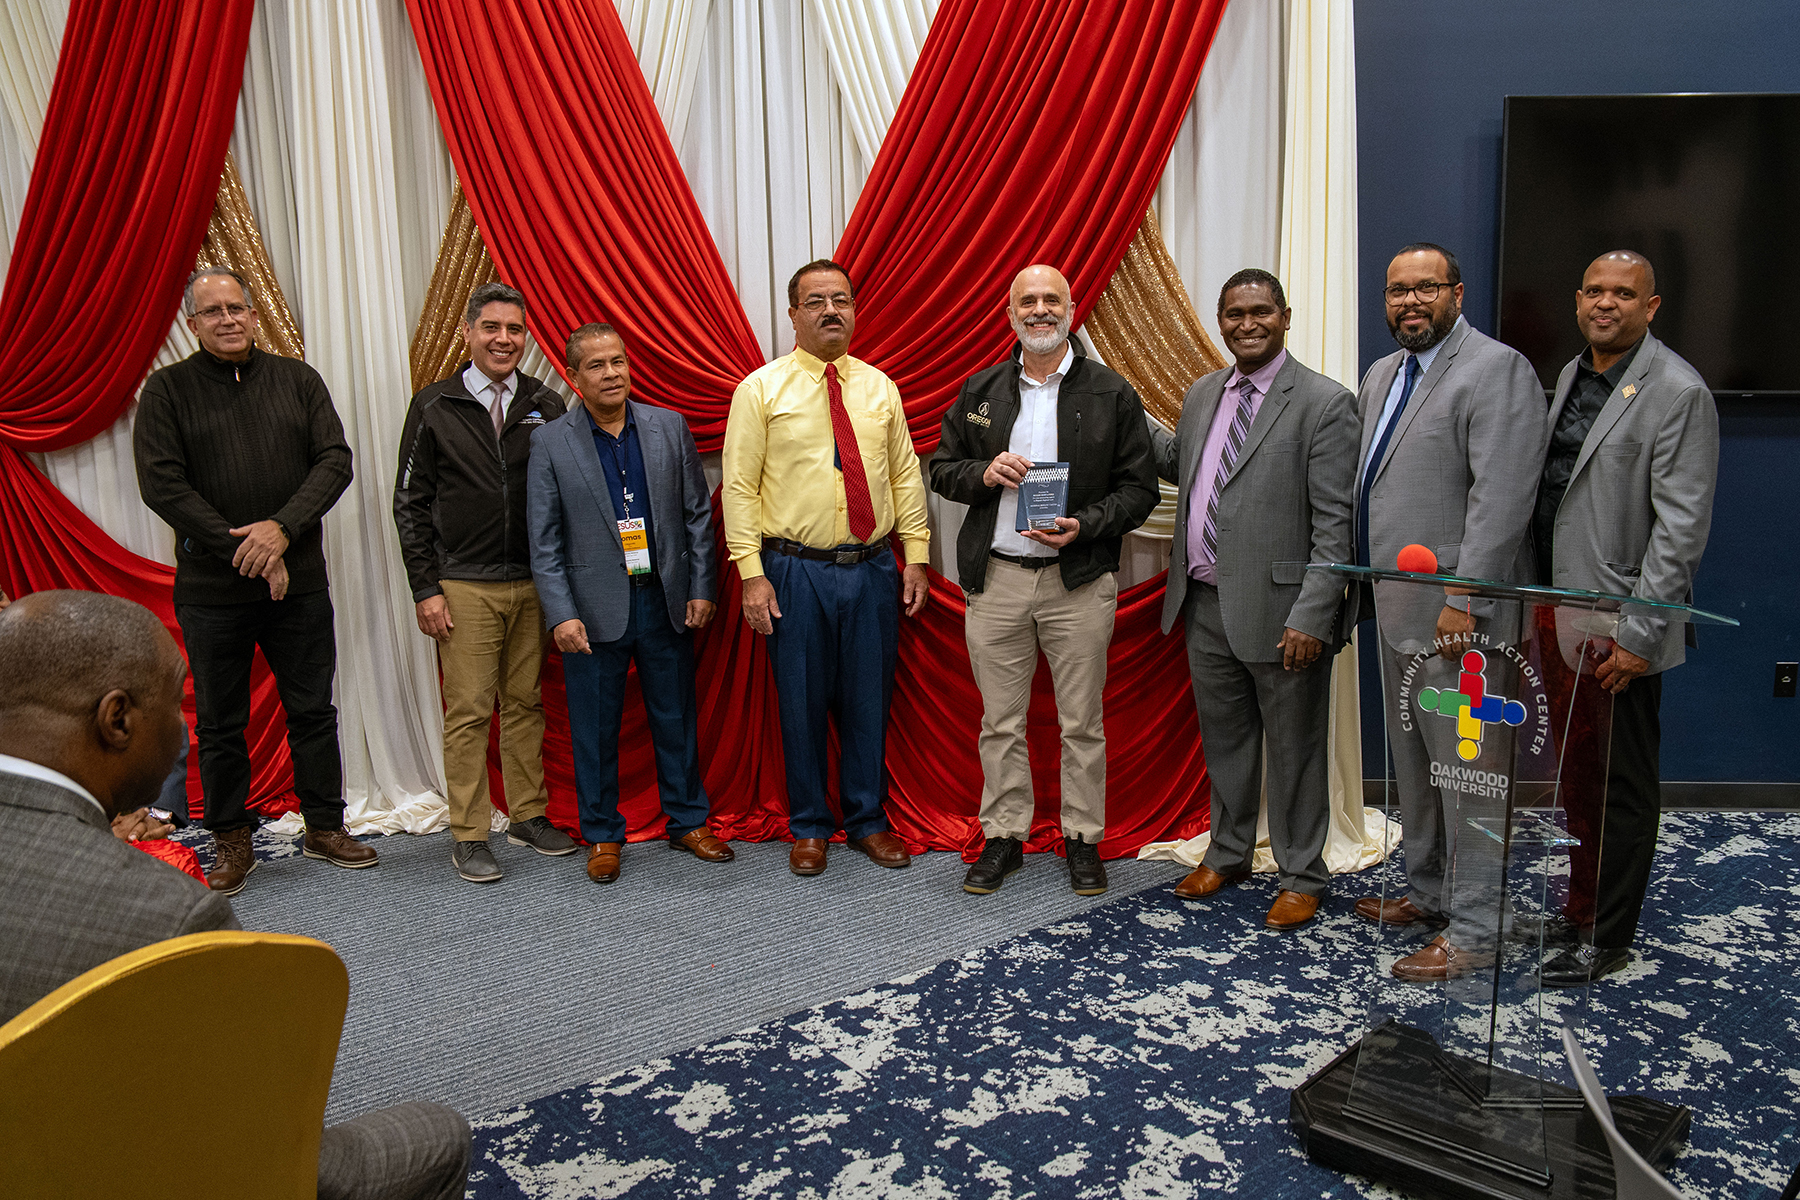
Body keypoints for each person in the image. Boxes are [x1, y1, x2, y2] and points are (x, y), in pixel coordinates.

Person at [0, 590, 470, 1200]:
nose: (183, 733)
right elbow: (253, 1144)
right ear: (116, 720)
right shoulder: (166, 916)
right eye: (177, 706)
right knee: (439, 1135)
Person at [133, 268, 373, 895]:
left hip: (299, 582)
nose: (228, 319)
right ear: (193, 324)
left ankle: (324, 826)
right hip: (213, 593)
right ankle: (232, 841)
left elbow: (335, 461)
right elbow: (162, 483)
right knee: (220, 722)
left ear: (254, 312)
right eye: (213, 312)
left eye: (237, 307)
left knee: (313, 709)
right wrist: (245, 548)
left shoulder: (298, 380)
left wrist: (280, 531)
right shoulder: (166, 391)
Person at [928, 264, 1156, 896]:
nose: (1039, 310)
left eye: (1050, 299)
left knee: (1081, 722)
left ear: (1072, 309)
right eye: (1026, 300)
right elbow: (940, 471)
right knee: (999, 722)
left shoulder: (1112, 392)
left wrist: (1084, 525)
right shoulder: (980, 390)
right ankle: (1004, 836)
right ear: (1009, 312)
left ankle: (1083, 840)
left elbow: (1138, 492)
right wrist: (983, 474)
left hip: (1076, 582)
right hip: (996, 581)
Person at [1354, 243, 1548, 981]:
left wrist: (1464, 598)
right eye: (1397, 290)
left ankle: (1476, 929)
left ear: (1457, 294)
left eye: (1425, 288)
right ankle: (1429, 892)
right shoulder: (1381, 375)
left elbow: (1501, 499)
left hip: (1463, 622)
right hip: (1397, 611)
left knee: (1471, 777)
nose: (1409, 302)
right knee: (1417, 767)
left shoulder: (1497, 370)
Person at [1529, 251, 1717, 986]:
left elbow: (1680, 531)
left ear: (1652, 305)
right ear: (1578, 300)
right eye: (1595, 292)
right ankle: (1582, 903)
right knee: (1576, 777)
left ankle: (1608, 934)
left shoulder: (1677, 390)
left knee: (1620, 785)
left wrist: (1641, 635)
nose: (1607, 304)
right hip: (1557, 612)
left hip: (1617, 628)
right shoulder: (1576, 373)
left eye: (1623, 294)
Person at [1150, 269, 1358, 928]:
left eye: (1260, 311)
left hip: (1284, 614)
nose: (1247, 323)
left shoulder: (1324, 403)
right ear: (1221, 320)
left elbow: (1336, 525)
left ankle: (1302, 873)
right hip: (1204, 602)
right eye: (1235, 313)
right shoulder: (1203, 392)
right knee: (1227, 743)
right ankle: (1231, 850)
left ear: (1285, 316)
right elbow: (1188, 466)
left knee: (1295, 749)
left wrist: (1312, 615)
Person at [721, 259, 931, 877]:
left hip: (871, 568)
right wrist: (750, 573)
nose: (830, 311)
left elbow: (903, 475)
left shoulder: (879, 388)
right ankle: (810, 824)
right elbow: (738, 487)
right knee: (801, 700)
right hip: (794, 571)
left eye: (841, 299)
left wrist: (915, 555)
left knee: (869, 697)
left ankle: (867, 820)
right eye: (815, 302)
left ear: (855, 309)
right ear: (792, 315)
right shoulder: (760, 390)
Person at [528, 324, 729, 885]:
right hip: (590, 613)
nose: (611, 373)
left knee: (676, 717)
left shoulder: (668, 427)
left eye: (618, 361)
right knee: (593, 728)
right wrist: (561, 614)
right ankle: (601, 833)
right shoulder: (550, 442)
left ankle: (688, 821)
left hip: (664, 600)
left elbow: (696, 514)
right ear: (573, 376)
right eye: (596, 365)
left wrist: (700, 588)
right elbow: (543, 541)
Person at [393, 282, 575, 883]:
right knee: (469, 710)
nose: (504, 339)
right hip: (463, 584)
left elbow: (567, 501)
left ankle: (526, 814)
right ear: (469, 333)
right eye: (491, 328)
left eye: (515, 330)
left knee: (525, 704)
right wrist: (426, 588)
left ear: (527, 337)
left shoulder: (547, 405)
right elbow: (409, 503)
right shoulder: (434, 405)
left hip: (532, 583)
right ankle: (469, 832)